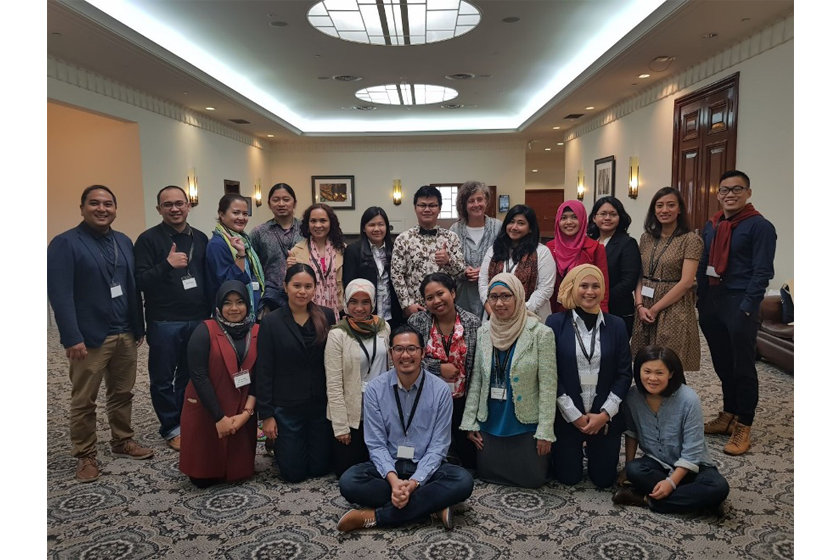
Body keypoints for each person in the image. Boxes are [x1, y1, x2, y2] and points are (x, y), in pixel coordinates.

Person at [47, 185, 153, 483]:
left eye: (108, 204)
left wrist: (138, 326)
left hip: (124, 332)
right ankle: (85, 454)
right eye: (94, 203)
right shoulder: (65, 243)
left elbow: (131, 287)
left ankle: (122, 440)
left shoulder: (123, 241)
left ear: (115, 209)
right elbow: (60, 294)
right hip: (89, 336)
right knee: (85, 399)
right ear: (82, 208)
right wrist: (71, 336)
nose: (102, 209)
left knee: (122, 392)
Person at [337, 325, 475, 532]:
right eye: (399, 349)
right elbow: (375, 444)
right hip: (389, 464)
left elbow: (439, 446)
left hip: (425, 464)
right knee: (349, 482)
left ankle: (376, 516)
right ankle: (432, 505)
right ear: (391, 353)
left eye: (412, 348)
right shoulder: (375, 389)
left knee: (463, 481)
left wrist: (414, 482)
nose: (405, 355)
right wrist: (394, 482)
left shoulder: (440, 390)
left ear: (422, 352)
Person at [697, 170, 777, 456]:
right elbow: (704, 261)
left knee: (743, 366)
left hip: (740, 302)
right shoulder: (713, 225)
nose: (730, 195)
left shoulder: (759, 226)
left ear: (748, 193)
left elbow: (763, 272)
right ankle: (729, 413)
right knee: (721, 362)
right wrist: (701, 302)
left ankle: (744, 423)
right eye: (725, 190)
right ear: (718, 194)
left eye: (737, 189)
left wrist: (746, 308)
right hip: (712, 302)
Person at [460, 273, 557, 488]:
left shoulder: (541, 333)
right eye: (493, 297)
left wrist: (545, 431)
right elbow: (476, 379)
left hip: (524, 422)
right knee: (488, 474)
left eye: (506, 296)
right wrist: (470, 422)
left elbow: (549, 386)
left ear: (519, 297)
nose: (499, 303)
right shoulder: (484, 332)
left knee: (532, 479)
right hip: (490, 419)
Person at [134, 185, 210, 451]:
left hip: (199, 318)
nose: (175, 209)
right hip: (164, 321)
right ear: (159, 209)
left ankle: (186, 420)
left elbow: (208, 278)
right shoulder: (148, 240)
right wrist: (167, 265)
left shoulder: (200, 238)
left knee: (191, 375)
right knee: (163, 378)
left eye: (180, 203)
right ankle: (170, 427)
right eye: (168, 205)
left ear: (189, 206)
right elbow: (139, 281)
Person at [613, 345, 730, 513]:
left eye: (659, 373)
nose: (652, 378)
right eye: (647, 371)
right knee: (634, 470)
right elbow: (632, 432)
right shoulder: (633, 396)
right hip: (658, 463)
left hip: (693, 467)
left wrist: (672, 483)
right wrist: (627, 467)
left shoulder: (688, 399)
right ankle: (693, 499)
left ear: (671, 374)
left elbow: (693, 450)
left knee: (718, 487)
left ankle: (646, 499)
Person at [546, 264, 632, 488]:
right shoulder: (554, 323)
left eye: (596, 286)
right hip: (568, 416)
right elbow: (550, 374)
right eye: (583, 285)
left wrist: (604, 414)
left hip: (604, 417)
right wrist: (574, 415)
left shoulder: (617, 325)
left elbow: (624, 374)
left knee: (604, 480)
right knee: (568, 477)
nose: (590, 292)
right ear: (573, 288)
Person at [256, 264, 337, 482]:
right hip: (286, 407)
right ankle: (279, 446)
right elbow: (263, 369)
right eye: (297, 286)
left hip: (319, 405)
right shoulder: (271, 322)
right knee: (294, 474)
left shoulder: (327, 316)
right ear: (285, 286)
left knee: (320, 468)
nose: (302, 291)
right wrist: (267, 415)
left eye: (308, 286)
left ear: (315, 288)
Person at [179, 281, 258, 487]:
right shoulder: (204, 331)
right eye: (228, 303)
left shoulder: (257, 330)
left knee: (240, 473)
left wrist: (247, 413)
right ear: (219, 306)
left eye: (240, 302)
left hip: (241, 408)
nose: (234, 308)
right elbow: (198, 376)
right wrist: (219, 417)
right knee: (202, 478)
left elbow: (262, 374)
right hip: (208, 409)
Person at [408, 273, 480, 469]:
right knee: (427, 459)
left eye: (441, 294)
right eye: (429, 298)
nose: (436, 301)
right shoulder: (417, 322)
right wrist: (438, 368)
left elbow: (478, 369)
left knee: (470, 462)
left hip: (462, 400)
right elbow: (408, 360)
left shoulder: (473, 323)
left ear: (453, 293)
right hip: (427, 401)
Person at [630, 187, 703, 371]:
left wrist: (655, 309)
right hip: (644, 305)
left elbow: (687, 282)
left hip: (672, 306)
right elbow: (638, 274)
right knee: (644, 361)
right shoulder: (646, 238)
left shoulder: (690, 240)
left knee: (669, 362)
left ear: (680, 209)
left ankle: (675, 400)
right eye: (660, 205)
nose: (665, 210)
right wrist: (639, 305)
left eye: (671, 205)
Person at [325, 279, 391, 477]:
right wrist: (340, 426)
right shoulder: (338, 334)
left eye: (365, 302)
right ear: (346, 303)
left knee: (382, 469)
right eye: (354, 302)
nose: (359, 308)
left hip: (380, 410)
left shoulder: (383, 327)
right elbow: (334, 383)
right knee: (349, 473)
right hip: (351, 417)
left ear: (372, 303)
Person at [391, 185, 466, 317]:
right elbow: (396, 275)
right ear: (415, 208)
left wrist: (448, 261)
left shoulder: (451, 237)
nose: (427, 209)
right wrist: (407, 305)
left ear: (439, 208)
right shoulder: (403, 239)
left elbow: (461, 273)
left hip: (445, 309)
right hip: (416, 310)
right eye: (422, 205)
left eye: (432, 205)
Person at [479, 204, 556, 321]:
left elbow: (545, 289)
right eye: (511, 222)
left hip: (530, 318)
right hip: (495, 318)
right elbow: (483, 282)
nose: (514, 227)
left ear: (530, 228)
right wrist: (492, 309)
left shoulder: (541, 252)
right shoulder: (494, 250)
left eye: (521, 223)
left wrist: (517, 313)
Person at [587, 196, 641, 338]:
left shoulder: (627, 243)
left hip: (617, 310)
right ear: (594, 218)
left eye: (613, 214)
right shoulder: (589, 242)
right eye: (603, 214)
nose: (607, 218)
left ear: (620, 217)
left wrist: (599, 298)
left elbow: (628, 282)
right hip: (589, 307)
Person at [206, 193, 266, 320]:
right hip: (231, 313)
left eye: (245, 214)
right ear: (222, 215)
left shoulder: (244, 239)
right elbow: (229, 283)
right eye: (236, 213)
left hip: (250, 309)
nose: (241, 217)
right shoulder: (218, 244)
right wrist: (240, 255)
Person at [342, 207, 404, 330]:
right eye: (371, 225)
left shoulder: (395, 248)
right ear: (364, 228)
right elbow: (349, 283)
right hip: (365, 316)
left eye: (381, 224)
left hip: (393, 315)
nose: (376, 229)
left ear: (387, 227)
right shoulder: (353, 250)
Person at [449, 181, 502, 317]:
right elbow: (450, 262)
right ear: (464, 205)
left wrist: (485, 271)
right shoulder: (455, 229)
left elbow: (505, 258)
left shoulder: (498, 227)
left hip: (493, 291)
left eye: (480, 199)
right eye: (471, 201)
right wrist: (463, 271)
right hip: (463, 292)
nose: (476, 204)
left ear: (486, 201)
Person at [547, 200, 609, 314]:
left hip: (585, 310)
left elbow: (602, 286)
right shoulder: (549, 248)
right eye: (564, 218)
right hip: (554, 310)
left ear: (582, 219)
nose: (569, 222)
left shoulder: (595, 248)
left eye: (574, 217)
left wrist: (602, 314)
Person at [250, 183, 303, 312]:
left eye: (286, 199)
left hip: (302, 293)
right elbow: (252, 266)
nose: (281, 204)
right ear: (269, 204)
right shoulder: (259, 232)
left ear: (294, 203)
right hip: (270, 297)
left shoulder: (306, 229)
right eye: (276, 200)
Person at [288, 203, 345, 319]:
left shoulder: (343, 250)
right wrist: (288, 269)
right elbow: (291, 285)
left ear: (331, 223)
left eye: (323, 221)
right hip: (307, 311)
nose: (318, 225)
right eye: (313, 221)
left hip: (338, 310)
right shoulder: (296, 251)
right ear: (307, 224)